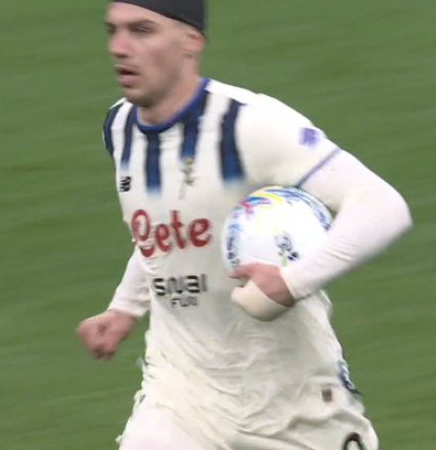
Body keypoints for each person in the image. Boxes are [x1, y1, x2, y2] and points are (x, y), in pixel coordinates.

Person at [76, 0, 413, 449]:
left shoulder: (249, 124)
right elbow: (164, 229)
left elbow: (383, 206)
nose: (119, 47)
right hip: (182, 396)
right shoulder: (121, 127)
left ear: (191, 41)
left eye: (142, 30)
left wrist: (291, 283)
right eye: (113, 31)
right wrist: (124, 308)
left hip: (293, 407)